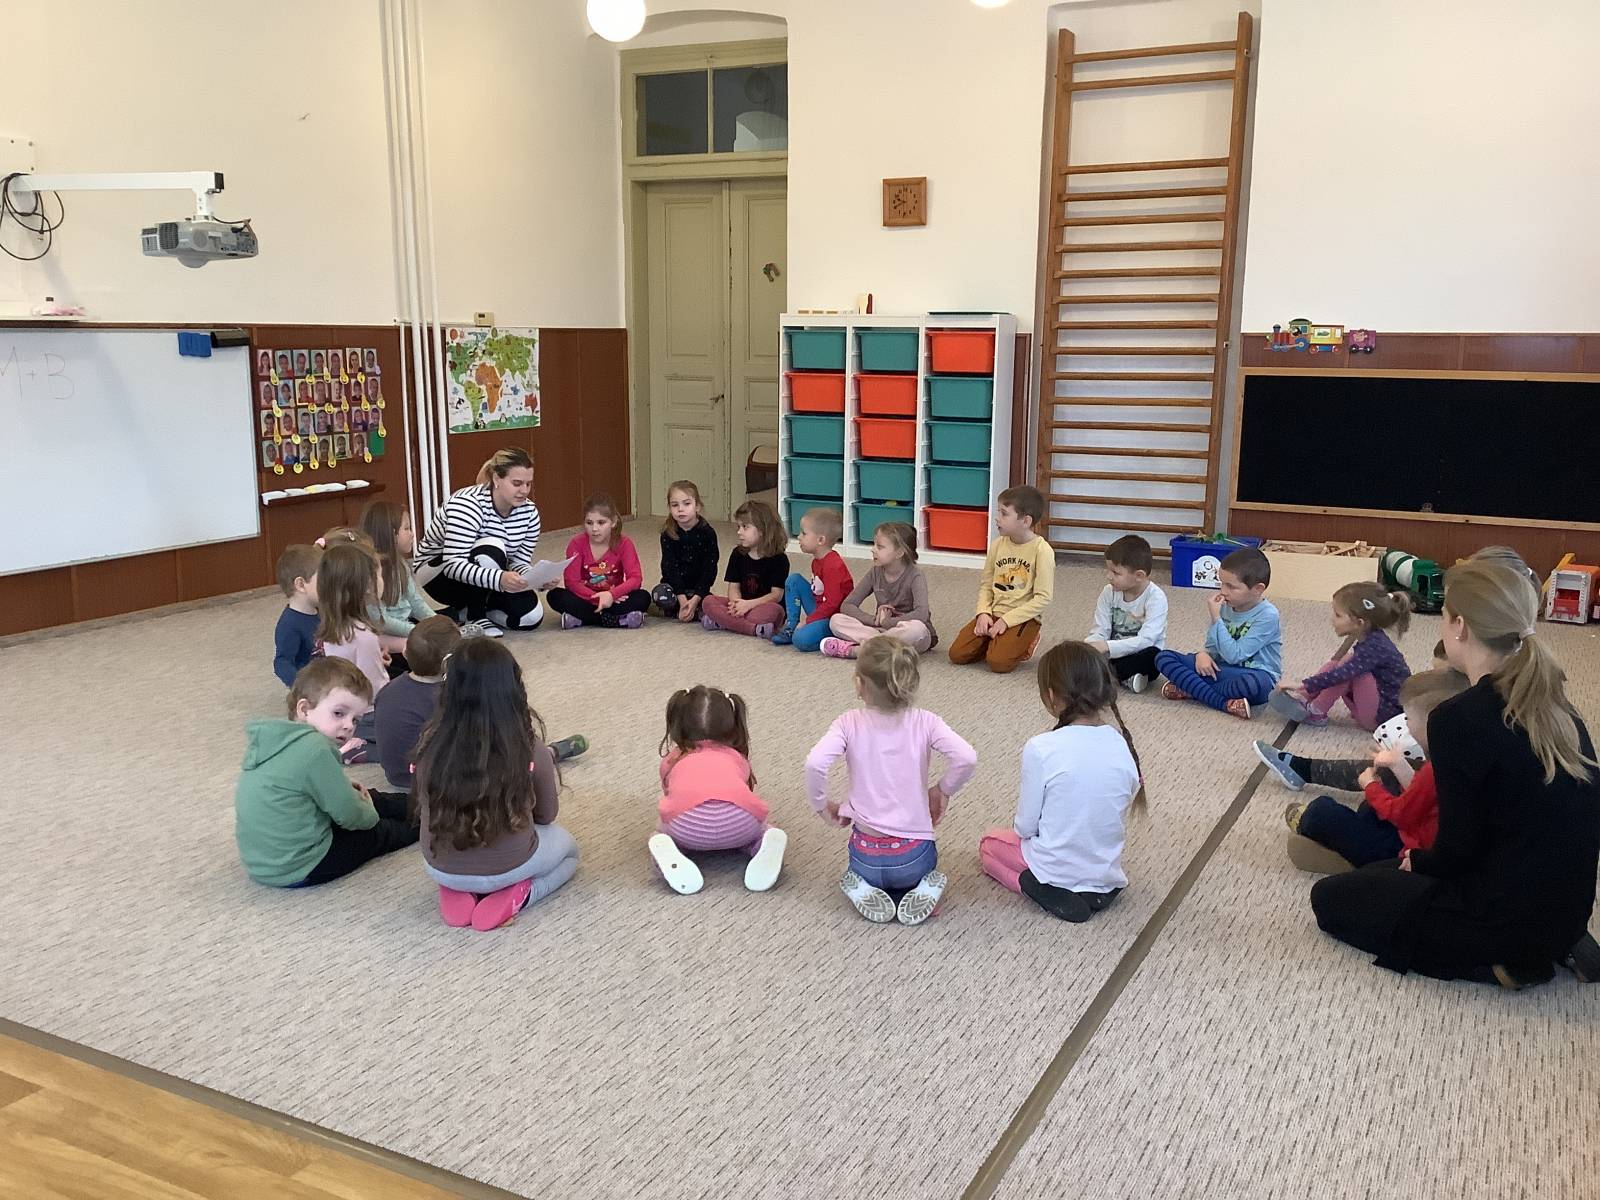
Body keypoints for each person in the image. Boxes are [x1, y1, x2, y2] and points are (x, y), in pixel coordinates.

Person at [1310, 561, 1600, 989]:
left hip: (1498, 911)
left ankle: (1503, 962)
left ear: (1460, 626)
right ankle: (1545, 943)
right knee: (1380, 874)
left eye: (1444, 616)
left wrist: (1418, 862)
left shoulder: (1458, 718)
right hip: (1567, 910)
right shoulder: (1555, 704)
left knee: (1330, 900)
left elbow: (1455, 850)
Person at [805, 637, 977, 926]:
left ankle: (862, 884)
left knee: (860, 865)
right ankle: (921, 885)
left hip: (865, 857)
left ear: (859, 684)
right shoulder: (926, 722)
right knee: (924, 863)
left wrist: (822, 806)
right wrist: (943, 790)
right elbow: (967, 757)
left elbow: (814, 763)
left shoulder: (848, 723)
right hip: (914, 856)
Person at [411, 640, 579, 930]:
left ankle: (456, 888)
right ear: (512, 690)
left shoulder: (429, 744)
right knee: (571, 853)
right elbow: (546, 815)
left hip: (439, 866)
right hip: (510, 866)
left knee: (461, 856)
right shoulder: (528, 747)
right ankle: (522, 894)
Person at [979, 641, 1144, 922]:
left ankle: (1036, 886)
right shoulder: (1121, 742)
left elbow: (1025, 827)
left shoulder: (1041, 747)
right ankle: (1094, 890)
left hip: (1053, 867)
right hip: (1106, 872)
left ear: (1052, 695)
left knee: (988, 845)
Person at [234, 658, 417, 887]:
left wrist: (351, 795)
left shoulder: (278, 740)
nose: (349, 725)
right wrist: (369, 813)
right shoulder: (315, 749)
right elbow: (350, 815)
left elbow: (303, 787)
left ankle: (423, 805)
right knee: (378, 833)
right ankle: (431, 820)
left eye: (355, 719)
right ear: (304, 709)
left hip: (264, 861)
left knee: (368, 798)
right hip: (301, 865)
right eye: (339, 713)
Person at [1279, 668, 1469, 874]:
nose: (1405, 724)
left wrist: (1370, 786)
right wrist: (1398, 765)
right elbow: (1424, 800)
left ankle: (1328, 841)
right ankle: (1344, 847)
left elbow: (1401, 813)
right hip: (1415, 834)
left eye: (1408, 718)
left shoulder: (1434, 770)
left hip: (1405, 852)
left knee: (1321, 810)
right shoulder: (1453, 760)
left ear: (1431, 725)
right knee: (1370, 808)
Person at [647, 685, 787, 895]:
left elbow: (670, 794)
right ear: (732, 724)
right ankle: (763, 845)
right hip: (741, 824)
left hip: (687, 828)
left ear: (678, 724)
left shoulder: (673, 759)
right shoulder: (737, 757)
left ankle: (673, 852)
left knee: (660, 834)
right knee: (760, 832)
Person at [413, 447, 545, 638]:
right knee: (493, 547)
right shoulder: (467, 505)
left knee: (530, 617)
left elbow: (519, 561)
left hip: (489, 573)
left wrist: (538, 578)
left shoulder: (530, 512)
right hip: (439, 575)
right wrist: (500, 579)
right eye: (516, 483)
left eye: (528, 484)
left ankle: (461, 612)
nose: (524, 491)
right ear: (497, 479)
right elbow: (453, 565)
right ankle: (475, 615)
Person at [1155, 546, 1281, 719]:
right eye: (1222, 583)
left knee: (1253, 684)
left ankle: (1193, 690)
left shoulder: (1268, 615)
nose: (1223, 591)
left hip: (1254, 675)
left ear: (1258, 589)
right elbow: (1212, 646)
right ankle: (1223, 703)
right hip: (1221, 670)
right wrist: (1203, 654)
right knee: (1163, 657)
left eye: (1231, 586)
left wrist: (1216, 618)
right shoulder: (1226, 606)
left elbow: (1235, 655)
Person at [1271, 582, 1412, 729]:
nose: (1332, 619)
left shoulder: (1375, 647)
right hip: (1371, 709)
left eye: (1338, 615)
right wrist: (1307, 688)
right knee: (1339, 663)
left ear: (1359, 623)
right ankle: (1304, 697)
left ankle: (1316, 711)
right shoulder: (1369, 638)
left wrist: (1303, 684)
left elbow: (1341, 675)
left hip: (1380, 719)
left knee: (1347, 669)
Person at [948, 485, 1054, 674]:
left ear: (1026, 521)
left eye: (1004, 514)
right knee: (957, 654)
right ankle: (995, 640)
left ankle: (1026, 640)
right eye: (999, 512)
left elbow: (1043, 598)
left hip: (1022, 617)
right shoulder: (997, 545)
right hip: (994, 612)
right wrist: (983, 613)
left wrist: (1006, 621)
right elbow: (986, 584)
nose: (997, 518)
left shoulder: (1042, 551)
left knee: (999, 663)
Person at [821, 521, 935, 659]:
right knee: (836, 620)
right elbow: (848, 605)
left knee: (916, 630)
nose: (873, 549)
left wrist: (888, 623)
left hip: (908, 632)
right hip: (879, 630)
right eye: (874, 545)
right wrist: (874, 620)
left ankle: (858, 650)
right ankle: (877, 646)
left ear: (899, 552)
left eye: (880, 547)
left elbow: (922, 614)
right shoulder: (875, 572)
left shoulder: (915, 575)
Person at [316, 540, 389, 756]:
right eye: (378, 575)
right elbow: (376, 691)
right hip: (365, 713)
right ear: (365, 586)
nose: (382, 580)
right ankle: (359, 746)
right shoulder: (363, 636)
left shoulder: (336, 625)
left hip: (341, 706)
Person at [373, 617, 460, 790]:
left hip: (394, 775)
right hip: (431, 781)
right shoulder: (447, 697)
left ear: (405, 653)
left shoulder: (388, 689)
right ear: (449, 663)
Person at [548, 492, 650, 629]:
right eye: (589, 523)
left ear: (613, 522)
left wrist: (612, 595)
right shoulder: (576, 544)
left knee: (643, 597)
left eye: (601, 523)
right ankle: (615, 620)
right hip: (586, 599)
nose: (594, 529)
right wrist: (596, 597)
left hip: (614, 599)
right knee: (555, 596)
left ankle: (583, 619)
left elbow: (635, 578)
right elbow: (571, 582)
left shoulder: (624, 543)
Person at [1085, 534, 1168, 693]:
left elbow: (1147, 640)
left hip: (1140, 653)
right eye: (1108, 570)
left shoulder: (1156, 598)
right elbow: (1100, 629)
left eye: (1116, 573)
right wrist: (1091, 646)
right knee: (1079, 652)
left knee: (1155, 656)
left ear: (1139, 576)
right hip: (1111, 653)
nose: (1108, 576)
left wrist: (1106, 646)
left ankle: (1105, 674)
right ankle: (1120, 677)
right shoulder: (1108, 592)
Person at [358, 500, 439, 663]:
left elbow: (415, 601)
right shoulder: (370, 572)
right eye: (407, 529)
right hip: (386, 636)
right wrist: (418, 632)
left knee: (445, 623)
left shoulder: (400, 564)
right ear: (391, 534)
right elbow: (381, 621)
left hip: (406, 625)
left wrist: (437, 623)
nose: (412, 534)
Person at [700, 500, 789, 637]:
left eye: (745, 527)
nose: (739, 532)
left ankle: (723, 622)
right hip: (741, 604)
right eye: (738, 526)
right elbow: (733, 587)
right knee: (708, 601)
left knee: (773, 611)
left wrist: (748, 605)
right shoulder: (738, 554)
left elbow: (776, 596)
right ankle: (752, 628)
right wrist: (735, 604)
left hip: (763, 606)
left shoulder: (779, 559)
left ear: (762, 529)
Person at [773, 507, 853, 650]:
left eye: (804, 533)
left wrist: (808, 620)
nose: (799, 537)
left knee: (800, 639)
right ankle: (791, 624)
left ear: (821, 540)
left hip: (833, 617)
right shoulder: (817, 561)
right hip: (819, 608)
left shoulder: (833, 565)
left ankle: (833, 636)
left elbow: (832, 604)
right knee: (794, 580)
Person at [653, 480, 720, 623]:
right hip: (674, 589)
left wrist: (696, 598)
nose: (680, 509)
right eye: (675, 505)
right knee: (659, 593)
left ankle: (692, 609)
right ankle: (684, 609)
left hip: (698, 590)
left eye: (687, 504)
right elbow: (669, 568)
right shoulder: (667, 534)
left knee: (711, 602)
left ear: (698, 506)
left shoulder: (708, 533)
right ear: (669, 507)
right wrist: (682, 599)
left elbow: (710, 568)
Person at [272, 544, 323, 687]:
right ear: (301, 584)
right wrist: (301, 687)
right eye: (323, 581)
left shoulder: (322, 610)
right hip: (315, 688)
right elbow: (282, 662)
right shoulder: (289, 624)